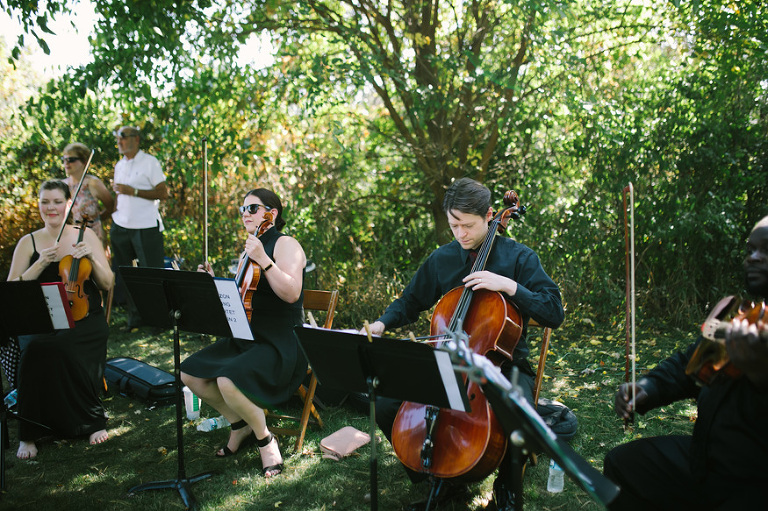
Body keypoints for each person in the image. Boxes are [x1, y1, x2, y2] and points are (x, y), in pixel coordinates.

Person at [360, 177, 565, 511]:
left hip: (504, 364)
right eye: (454, 225)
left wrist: (509, 286)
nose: (461, 234)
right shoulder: (442, 259)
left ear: (489, 215)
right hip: (446, 361)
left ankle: (508, 489)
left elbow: (554, 312)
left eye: (467, 225)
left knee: (517, 410)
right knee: (385, 404)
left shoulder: (519, 258)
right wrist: (382, 323)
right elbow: (410, 302)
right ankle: (441, 479)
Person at [604, 216, 768, 509]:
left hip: (754, 481)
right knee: (622, 465)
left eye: (766, 250)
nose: (754, 258)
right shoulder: (743, 317)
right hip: (705, 459)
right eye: (750, 250)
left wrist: (759, 374)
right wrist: (648, 387)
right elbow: (689, 365)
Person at [180, 188, 307, 478]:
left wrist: (264, 259)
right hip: (248, 338)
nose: (245, 214)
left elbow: (291, 293)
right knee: (190, 374)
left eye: (252, 208)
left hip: (281, 343)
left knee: (227, 381)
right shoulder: (250, 250)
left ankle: (265, 438)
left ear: (271, 214)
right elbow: (240, 301)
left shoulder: (286, 245)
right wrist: (211, 284)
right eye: (243, 209)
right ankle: (239, 425)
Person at [6, 180, 114, 459]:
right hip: (40, 319)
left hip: (84, 316)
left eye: (56, 201)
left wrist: (93, 256)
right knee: (34, 349)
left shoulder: (85, 234)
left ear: (68, 204)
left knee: (67, 346)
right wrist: (40, 263)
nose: (50, 207)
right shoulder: (27, 242)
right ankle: (29, 434)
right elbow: (12, 289)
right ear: (39, 204)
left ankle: (90, 421)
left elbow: (107, 282)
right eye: (45, 201)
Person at [110, 126, 168, 329]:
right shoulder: (119, 165)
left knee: (152, 275)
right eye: (118, 137)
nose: (119, 141)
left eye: (123, 137)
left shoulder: (150, 162)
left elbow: (163, 193)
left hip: (145, 226)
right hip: (120, 226)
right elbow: (119, 195)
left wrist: (133, 191)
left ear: (136, 139)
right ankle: (134, 318)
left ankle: (159, 321)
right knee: (126, 275)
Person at [61, 142, 115, 247]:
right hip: (69, 238)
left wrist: (95, 220)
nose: (66, 163)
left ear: (84, 162)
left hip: (92, 237)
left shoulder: (93, 183)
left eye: (71, 160)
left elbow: (110, 206)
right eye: (64, 159)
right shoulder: (62, 185)